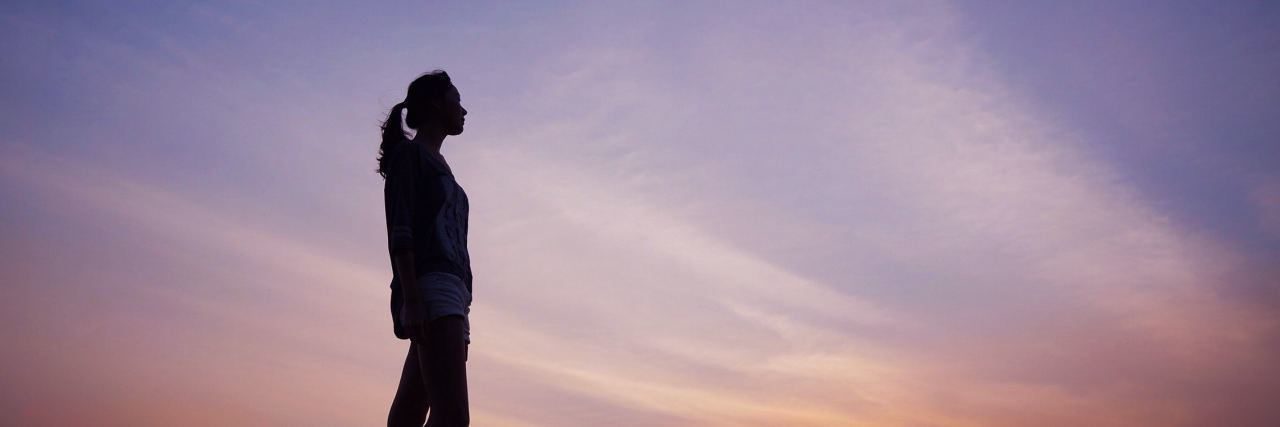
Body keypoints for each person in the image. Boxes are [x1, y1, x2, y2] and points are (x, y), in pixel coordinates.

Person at [380, 70, 472, 427]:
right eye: (456, 101)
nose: (463, 110)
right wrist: (413, 298)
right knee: (453, 417)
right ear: (436, 105)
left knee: (409, 413)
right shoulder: (410, 157)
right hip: (432, 289)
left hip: (452, 293)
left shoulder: (440, 166)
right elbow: (400, 231)